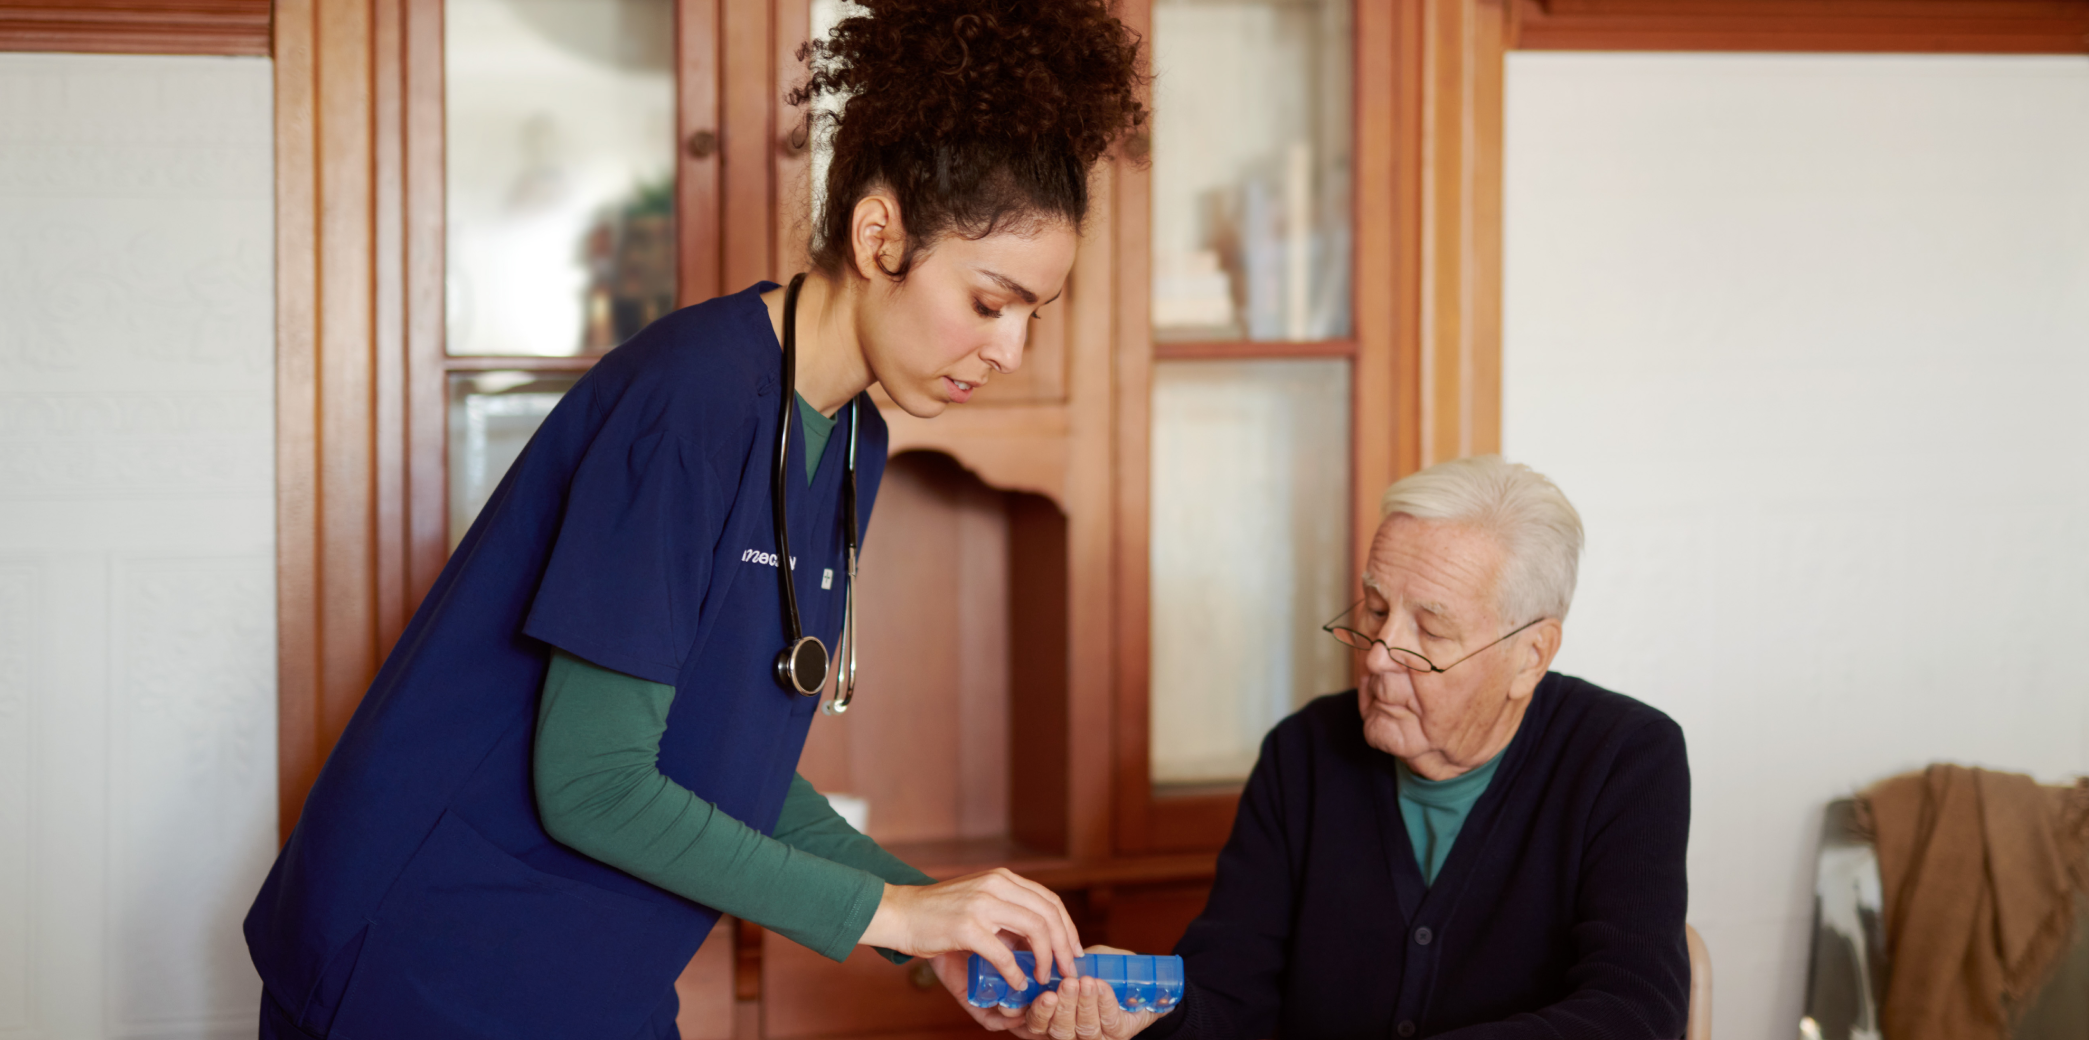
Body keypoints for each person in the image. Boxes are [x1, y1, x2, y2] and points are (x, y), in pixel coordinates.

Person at [243, 4, 1146, 1038]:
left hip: (588, 963)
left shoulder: (855, 439)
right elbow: (592, 782)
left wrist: (929, 923)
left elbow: (723, 755)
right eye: (990, 302)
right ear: (879, 236)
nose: (1012, 350)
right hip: (427, 954)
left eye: (1036, 313)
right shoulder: (691, 398)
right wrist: (892, 913)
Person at [1006, 455, 1692, 1040]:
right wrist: (1157, 1010)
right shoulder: (1303, 754)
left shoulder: (1625, 758)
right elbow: (1231, 993)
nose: (1380, 656)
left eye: (1430, 630)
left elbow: (1635, 1010)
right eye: (1376, 610)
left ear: (1530, 656)